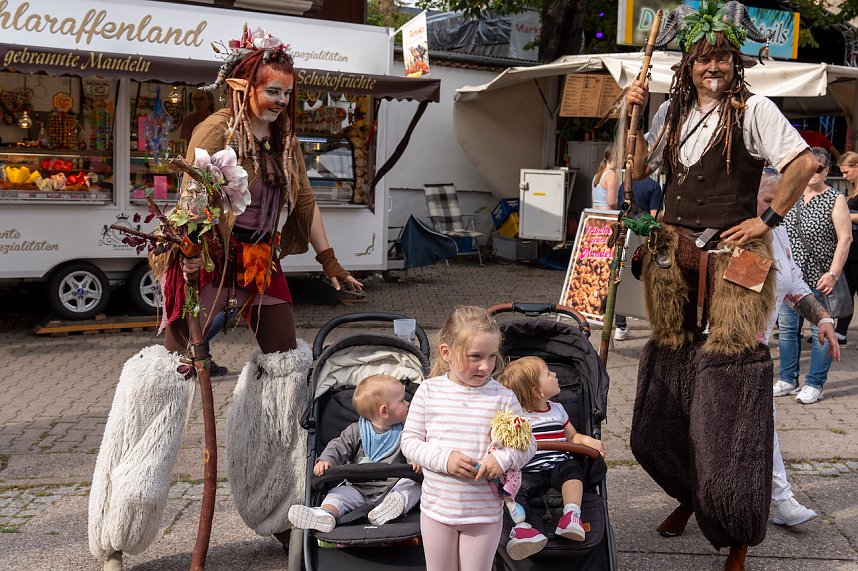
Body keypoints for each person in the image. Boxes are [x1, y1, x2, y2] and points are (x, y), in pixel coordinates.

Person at [89, 26, 363, 571]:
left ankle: (283, 512)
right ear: (244, 86)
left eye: (288, 92)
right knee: (168, 374)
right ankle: (122, 523)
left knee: (290, 373)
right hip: (209, 259)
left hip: (261, 261)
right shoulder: (215, 130)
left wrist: (329, 261)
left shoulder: (285, 139)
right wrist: (190, 254)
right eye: (273, 91)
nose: (282, 101)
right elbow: (193, 203)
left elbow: (304, 200)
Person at [623, 3, 818, 569]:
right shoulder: (672, 112)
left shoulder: (754, 109)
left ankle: (736, 525)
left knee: (730, 388)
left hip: (738, 253)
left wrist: (770, 219)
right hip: (675, 250)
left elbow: (802, 164)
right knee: (670, 374)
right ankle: (691, 491)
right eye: (704, 58)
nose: (714, 67)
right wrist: (635, 116)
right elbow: (637, 174)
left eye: (723, 59)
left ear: (736, 63)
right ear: (688, 65)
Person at [400, 306, 536, 571]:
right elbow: (410, 442)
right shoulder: (429, 391)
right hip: (438, 511)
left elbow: (528, 443)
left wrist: (503, 458)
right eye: (475, 356)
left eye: (491, 357)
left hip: (484, 514)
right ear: (446, 353)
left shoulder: (503, 397)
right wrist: (444, 458)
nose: (485, 366)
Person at [758, 170, 839, 526]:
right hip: (721, 354)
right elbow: (742, 291)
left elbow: (794, 285)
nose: (778, 209)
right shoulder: (736, 234)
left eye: (783, 202)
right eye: (770, 201)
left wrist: (823, 319)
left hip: (754, 357)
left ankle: (780, 499)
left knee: (765, 425)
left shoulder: (777, 231)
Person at [497, 356, 606, 561]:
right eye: (548, 373)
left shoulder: (557, 409)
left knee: (573, 470)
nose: (555, 374)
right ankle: (522, 528)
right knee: (513, 489)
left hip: (558, 465)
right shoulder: (518, 417)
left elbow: (572, 436)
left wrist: (589, 441)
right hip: (528, 469)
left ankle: (571, 515)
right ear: (537, 391)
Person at [287, 375, 421, 532]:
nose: (408, 403)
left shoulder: (406, 431)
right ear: (384, 411)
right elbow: (337, 446)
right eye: (402, 400)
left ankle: (390, 507)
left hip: (391, 489)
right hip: (358, 489)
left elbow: (412, 447)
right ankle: (325, 513)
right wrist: (326, 460)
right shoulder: (355, 431)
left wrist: (415, 460)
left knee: (412, 485)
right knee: (338, 494)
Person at [774, 147, 852, 404]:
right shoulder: (791, 195)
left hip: (821, 278)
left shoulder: (835, 198)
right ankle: (787, 379)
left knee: (821, 330)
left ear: (827, 170)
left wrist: (833, 273)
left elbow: (845, 238)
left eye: (818, 168)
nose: (812, 173)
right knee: (787, 329)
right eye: (809, 168)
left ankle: (815, 384)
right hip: (791, 277)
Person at [613, 175, 664, 340]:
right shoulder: (654, 186)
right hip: (642, 240)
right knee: (645, 281)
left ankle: (620, 326)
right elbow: (654, 216)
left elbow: (619, 209)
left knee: (619, 278)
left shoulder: (625, 185)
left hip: (623, 237)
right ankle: (652, 321)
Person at [834, 151, 858, 346]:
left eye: (846, 171)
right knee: (847, 290)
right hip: (851, 249)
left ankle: (841, 331)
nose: (844, 176)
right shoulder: (853, 191)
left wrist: (843, 216)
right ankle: (840, 332)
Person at [591, 145, 619, 209]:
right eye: (623, 157)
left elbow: (594, 201)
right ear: (616, 157)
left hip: (594, 215)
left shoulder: (597, 175)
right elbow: (611, 202)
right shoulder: (611, 175)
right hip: (606, 216)